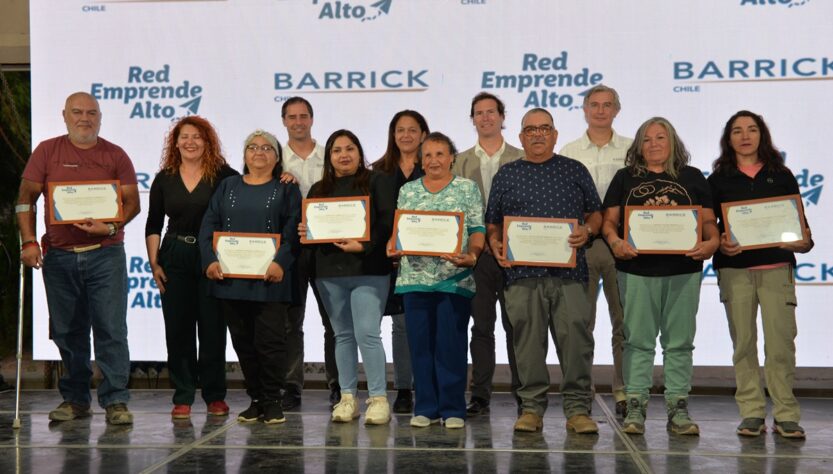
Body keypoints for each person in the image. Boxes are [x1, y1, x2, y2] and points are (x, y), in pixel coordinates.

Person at [16, 91, 140, 425]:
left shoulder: (115, 154)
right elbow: (25, 198)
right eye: (77, 112)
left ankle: (116, 401)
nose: (84, 118)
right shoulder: (47, 151)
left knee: (111, 328)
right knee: (67, 331)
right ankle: (75, 399)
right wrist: (28, 241)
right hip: (59, 257)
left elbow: (132, 203)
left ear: (100, 117)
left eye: (91, 112)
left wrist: (110, 226)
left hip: (106, 255)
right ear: (64, 115)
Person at [601, 117, 719, 436]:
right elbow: (609, 222)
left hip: (684, 271)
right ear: (639, 145)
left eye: (660, 137)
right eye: (647, 139)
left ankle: (677, 407)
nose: (654, 144)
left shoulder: (693, 177)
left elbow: (709, 223)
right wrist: (614, 242)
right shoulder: (625, 178)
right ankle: (636, 406)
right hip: (636, 271)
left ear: (673, 142)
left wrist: (713, 241)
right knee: (637, 341)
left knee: (679, 343)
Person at [485, 108, 601, 434]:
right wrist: (495, 243)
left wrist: (588, 232)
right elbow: (493, 222)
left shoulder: (574, 170)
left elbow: (595, 213)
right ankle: (531, 408)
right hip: (521, 276)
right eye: (531, 129)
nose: (538, 134)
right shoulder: (506, 175)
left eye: (544, 128)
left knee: (577, 343)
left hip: (570, 275)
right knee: (527, 345)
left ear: (555, 134)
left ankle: (578, 409)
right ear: (521, 137)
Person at [708, 111, 813, 439]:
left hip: (777, 269)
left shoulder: (781, 174)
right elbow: (711, 231)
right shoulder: (717, 180)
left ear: (762, 135)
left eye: (752, 129)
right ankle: (751, 412)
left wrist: (804, 241)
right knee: (744, 344)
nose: (745, 136)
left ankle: (785, 414)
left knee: (781, 344)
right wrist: (721, 245)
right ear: (729, 139)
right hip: (735, 271)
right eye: (737, 131)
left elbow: (803, 232)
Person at [199, 129, 301, 424]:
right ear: (244, 155)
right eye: (253, 147)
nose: (259, 152)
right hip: (230, 280)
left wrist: (281, 262)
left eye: (267, 148)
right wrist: (209, 260)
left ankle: (272, 401)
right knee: (242, 342)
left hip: (270, 280)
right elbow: (209, 224)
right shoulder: (227, 185)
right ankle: (255, 399)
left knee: (270, 343)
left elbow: (294, 228)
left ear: (277, 156)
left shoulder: (287, 189)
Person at [145, 115, 238, 419]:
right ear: (175, 142)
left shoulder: (224, 175)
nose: (190, 142)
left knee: (213, 329)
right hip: (174, 256)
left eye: (197, 136)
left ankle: (214, 395)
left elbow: (255, 184)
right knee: (178, 329)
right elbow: (153, 223)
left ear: (207, 141)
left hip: (212, 257)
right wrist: (154, 262)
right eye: (184, 136)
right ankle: (183, 394)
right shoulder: (164, 178)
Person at [390, 132, 485, 429]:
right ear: (420, 159)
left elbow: (477, 228)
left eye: (440, 154)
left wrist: (473, 254)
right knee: (419, 346)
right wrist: (392, 245)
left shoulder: (467, 189)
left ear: (452, 157)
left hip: (453, 278)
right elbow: (400, 229)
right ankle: (426, 407)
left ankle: (453, 408)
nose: (434, 160)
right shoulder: (408, 190)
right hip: (414, 278)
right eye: (428, 155)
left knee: (451, 345)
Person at [302, 130, 396, 425]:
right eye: (337, 150)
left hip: (369, 268)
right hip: (329, 272)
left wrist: (364, 245)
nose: (344, 155)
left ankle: (378, 399)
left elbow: (386, 222)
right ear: (329, 157)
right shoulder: (318, 190)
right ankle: (347, 398)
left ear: (359, 152)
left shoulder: (378, 181)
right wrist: (306, 234)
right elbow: (311, 228)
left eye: (350, 148)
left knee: (367, 333)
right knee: (341, 335)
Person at [559, 84, 632, 416]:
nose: (601, 110)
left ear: (617, 110)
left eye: (608, 105)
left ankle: (624, 390)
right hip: (583, 245)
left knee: (625, 322)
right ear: (584, 110)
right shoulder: (570, 151)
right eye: (594, 105)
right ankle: (581, 389)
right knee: (580, 323)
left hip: (622, 246)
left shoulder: (634, 150)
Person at [452, 92, 523, 416]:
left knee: (518, 326)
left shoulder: (522, 159)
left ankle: (524, 394)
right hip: (476, 256)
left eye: (490, 112)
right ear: (473, 119)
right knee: (481, 327)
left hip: (516, 255)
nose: (485, 118)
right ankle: (480, 394)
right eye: (478, 113)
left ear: (501, 116)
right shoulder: (459, 161)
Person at [280, 97, 339, 410]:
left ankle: (337, 385)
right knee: (291, 322)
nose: (298, 122)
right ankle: (291, 385)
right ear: (284, 121)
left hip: (327, 249)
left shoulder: (329, 156)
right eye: (292, 117)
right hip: (290, 250)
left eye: (303, 116)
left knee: (334, 321)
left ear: (312, 119)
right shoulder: (275, 158)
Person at [371, 110, 429, 414]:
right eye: (400, 130)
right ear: (393, 135)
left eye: (412, 130)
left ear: (423, 133)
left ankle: (429, 386)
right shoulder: (377, 171)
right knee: (401, 325)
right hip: (389, 261)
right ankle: (404, 388)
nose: (406, 135)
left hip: (431, 261)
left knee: (426, 324)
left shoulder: (435, 166)